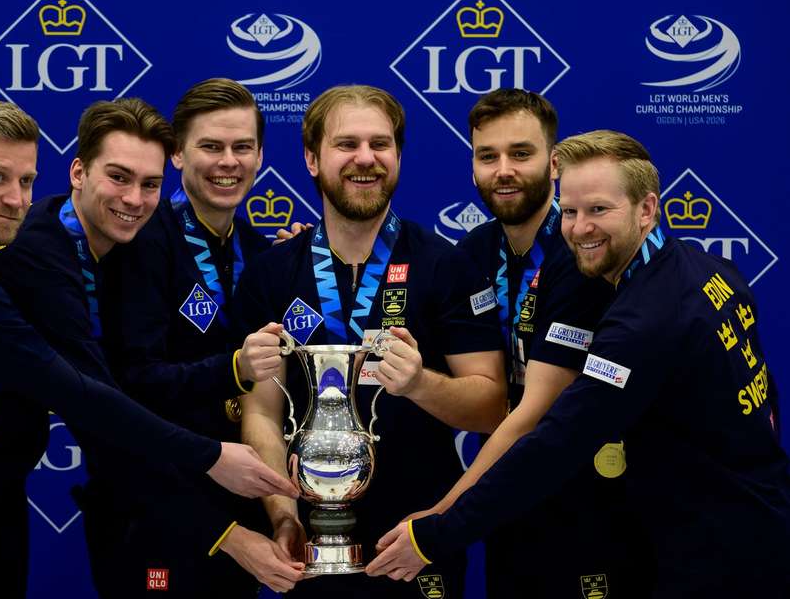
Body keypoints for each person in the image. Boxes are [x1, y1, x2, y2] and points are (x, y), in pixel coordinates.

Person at [0, 97, 295, 599]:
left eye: (149, 185)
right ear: (78, 172)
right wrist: (212, 462)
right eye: (119, 177)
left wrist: (289, 265)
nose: (134, 198)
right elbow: (88, 398)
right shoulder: (29, 258)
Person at [366, 130, 790, 598]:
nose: (579, 228)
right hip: (754, 518)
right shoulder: (708, 267)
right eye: (569, 211)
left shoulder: (642, 324)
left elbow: (556, 445)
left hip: (719, 557)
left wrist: (435, 535)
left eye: (599, 210)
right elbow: (765, 393)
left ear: (646, 209)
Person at [233, 84, 508, 598]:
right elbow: (262, 412)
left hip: (414, 542)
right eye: (347, 144)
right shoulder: (269, 276)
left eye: (381, 145)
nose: (366, 159)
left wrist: (421, 383)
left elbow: (492, 406)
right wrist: (282, 515)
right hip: (306, 547)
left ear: (399, 157)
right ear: (313, 159)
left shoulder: (447, 266)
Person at [392, 89, 648, 597]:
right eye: (488, 156)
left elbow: (536, 412)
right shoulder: (470, 253)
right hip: (508, 498)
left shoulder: (583, 248)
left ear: (554, 164)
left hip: (591, 498)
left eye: (521, 154)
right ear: (472, 168)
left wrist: (442, 517)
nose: (503, 169)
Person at [97, 79, 305, 595]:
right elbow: (131, 381)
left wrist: (301, 264)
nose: (228, 162)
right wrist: (232, 368)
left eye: (242, 147)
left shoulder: (265, 255)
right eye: (211, 146)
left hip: (241, 504)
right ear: (177, 155)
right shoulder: (141, 242)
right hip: (156, 505)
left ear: (260, 155)